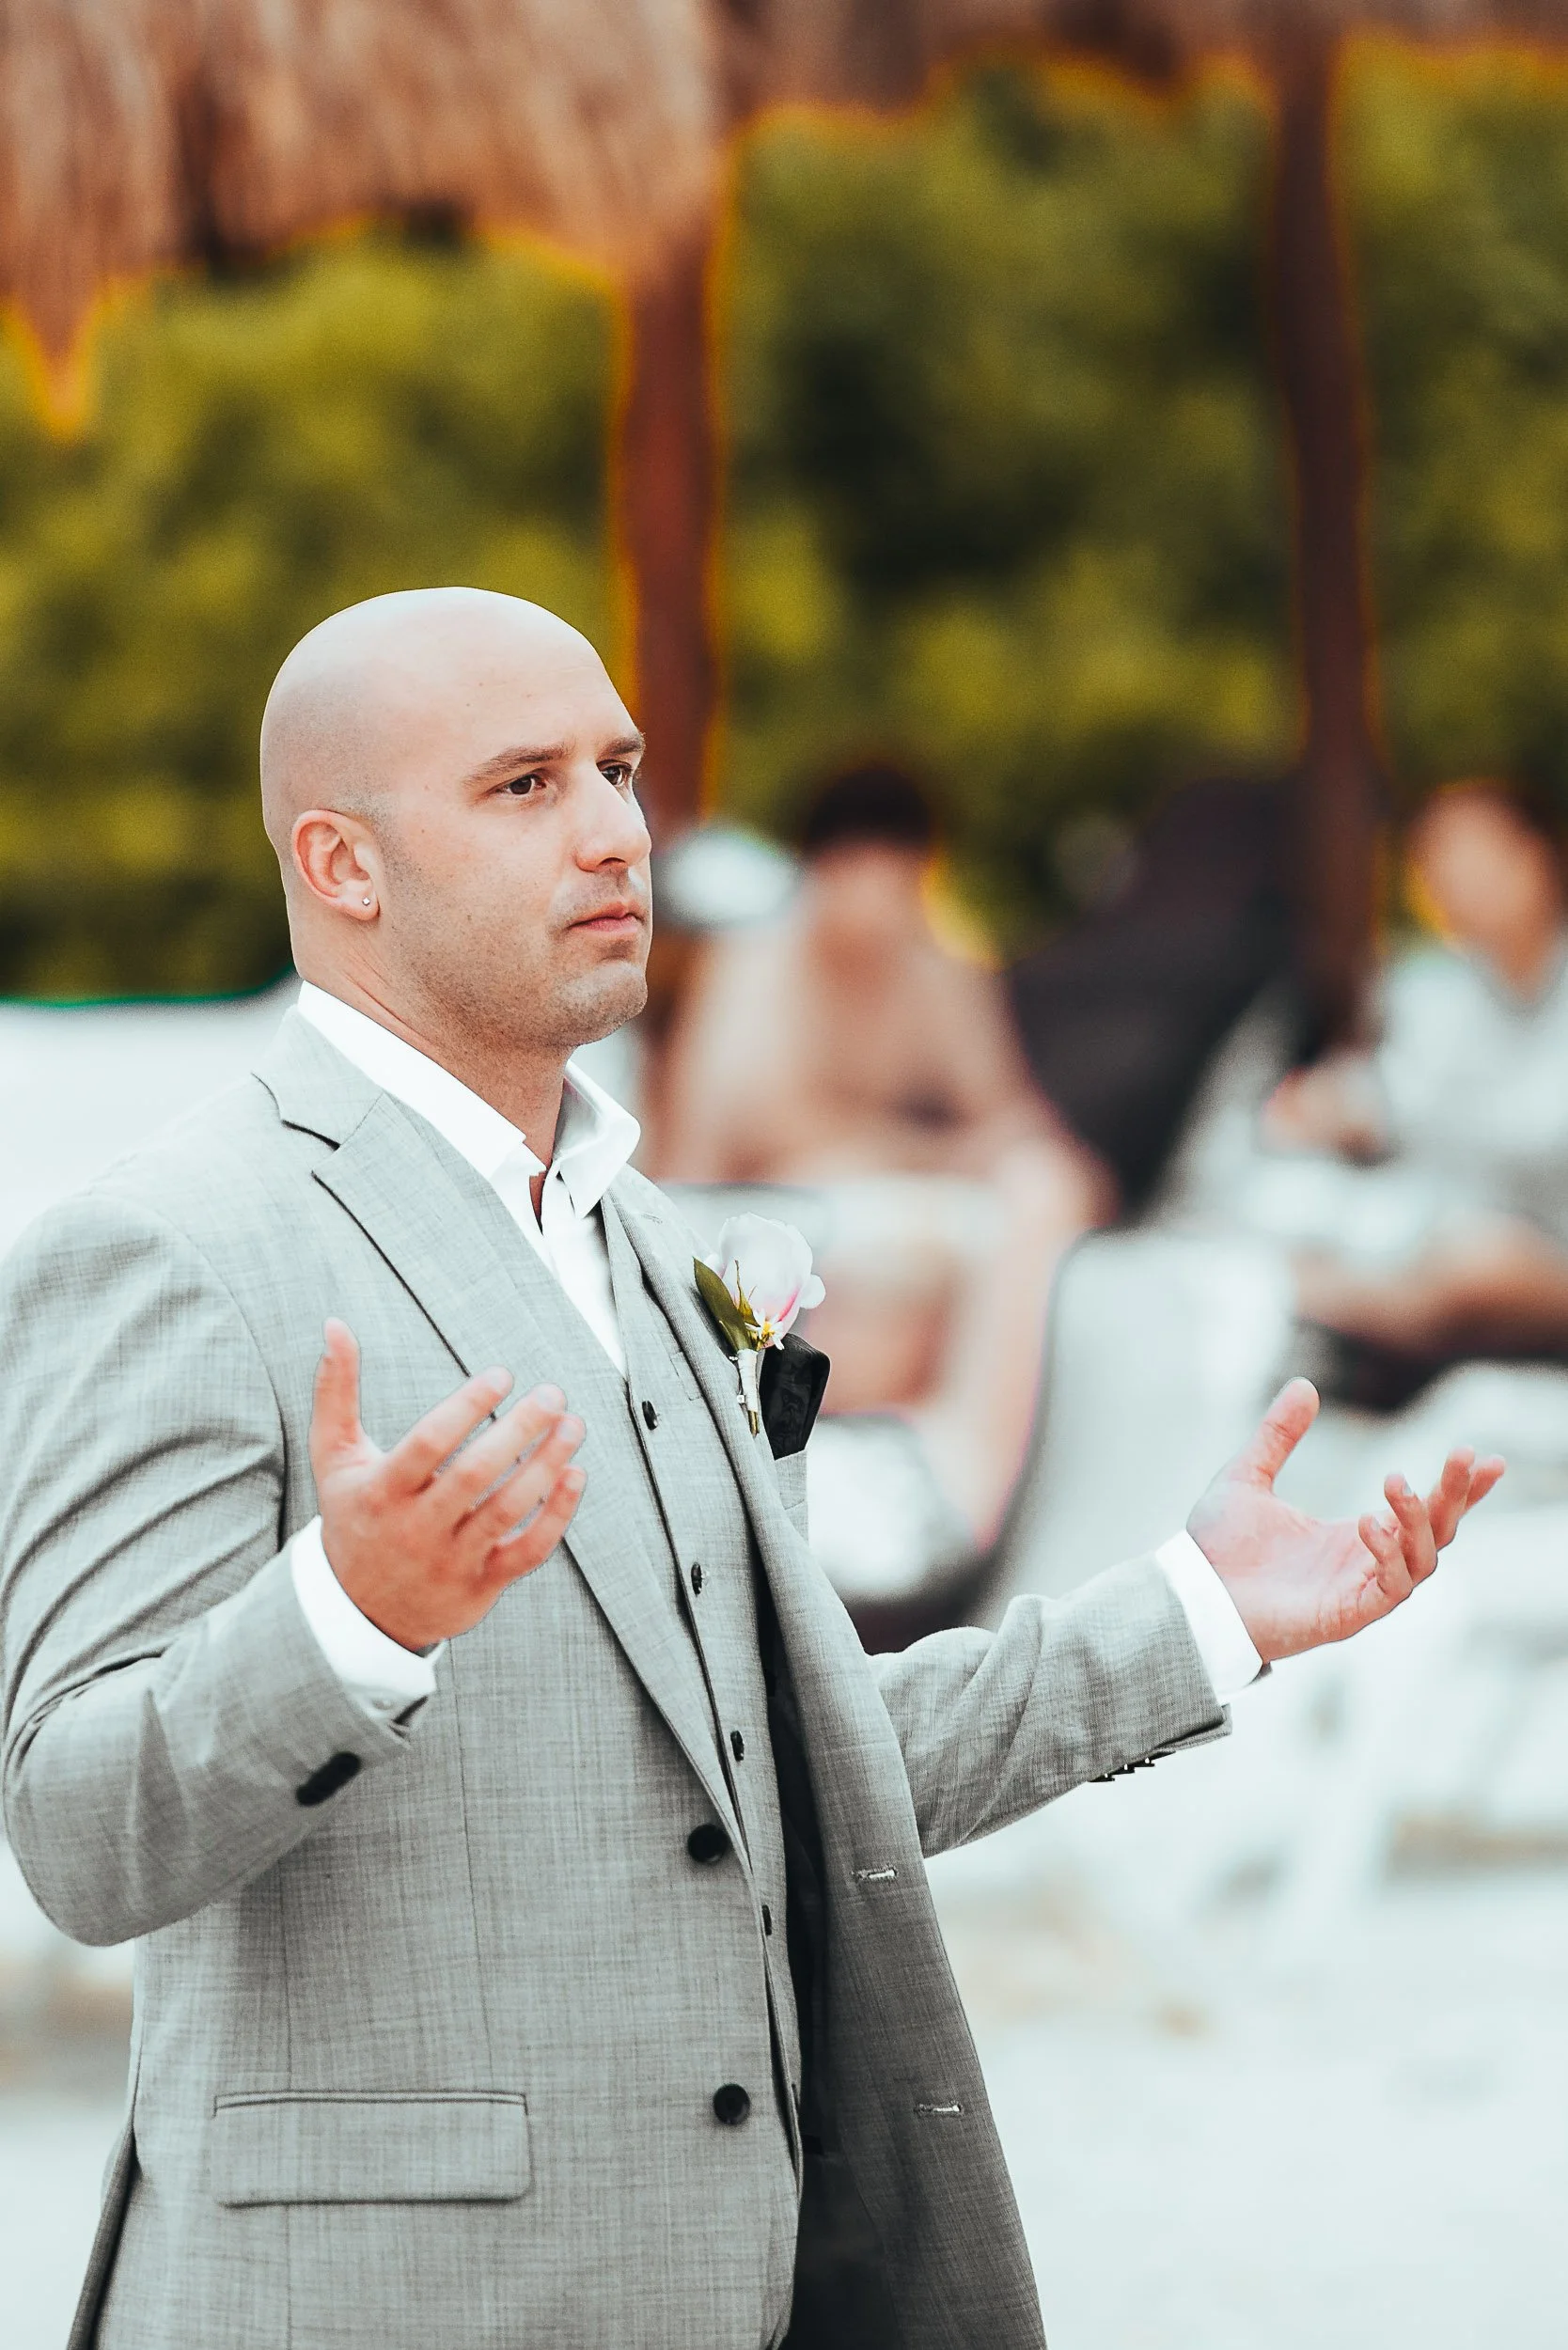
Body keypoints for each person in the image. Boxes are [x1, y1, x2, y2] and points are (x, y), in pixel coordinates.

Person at [0, 589, 1499, 2350]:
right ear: (343, 863)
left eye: (619, 769)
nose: (614, 830)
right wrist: (349, 1616)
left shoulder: (645, 1242)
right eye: (523, 785)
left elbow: (773, 1774)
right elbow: (79, 1833)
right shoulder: (175, 1241)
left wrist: (1191, 1616)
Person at [654, 759, 1105, 1197]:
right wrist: (932, 1153)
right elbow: (758, 1129)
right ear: (822, 869)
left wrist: (1011, 1152)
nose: (877, 901)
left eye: (895, 876)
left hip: (887, 1180)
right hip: (750, 1201)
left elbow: (1002, 1106)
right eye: (862, 870)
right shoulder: (753, 967)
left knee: (1047, 1179)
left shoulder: (935, 971)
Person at [1274, 780, 1568, 1369]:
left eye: (1472, 853)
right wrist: (1331, 1109)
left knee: (1480, 1266)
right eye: (1437, 860)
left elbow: (1533, 1132)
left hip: (1529, 1257)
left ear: (1536, 855)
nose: (1455, 878)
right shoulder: (1434, 987)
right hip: (1438, 1239)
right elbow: (1386, 1097)